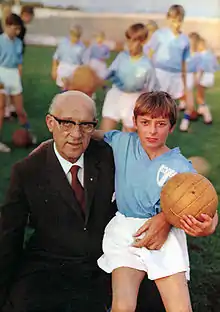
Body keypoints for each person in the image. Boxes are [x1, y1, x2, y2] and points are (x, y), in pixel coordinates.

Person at [0, 90, 168, 312]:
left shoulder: (109, 155)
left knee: (156, 300)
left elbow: (162, 180)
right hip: (51, 264)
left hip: (108, 259)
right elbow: (9, 235)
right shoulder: (27, 171)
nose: (76, 134)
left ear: (94, 127)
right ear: (50, 123)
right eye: (67, 123)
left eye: (85, 125)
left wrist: (166, 217)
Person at [93, 91, 218, 312]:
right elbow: (89, 135)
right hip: (126, 231)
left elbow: (203, 201)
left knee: (179, 308)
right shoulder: (122, 142)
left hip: (165, 235)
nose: (152, 130)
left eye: (161, 124)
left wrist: (210, 224)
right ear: (134, 122)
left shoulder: (179, 166)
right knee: (122, 306)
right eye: (145, 122)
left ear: (171, 127)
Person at [100, 23, 159, 133]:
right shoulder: (122, 57)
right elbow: (108, 73)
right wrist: (97, 79)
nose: (129, 44)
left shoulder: (147, 65)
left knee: (128, 136)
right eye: (128, 40)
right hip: (116, 95)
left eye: (133, 41)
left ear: (143, 42)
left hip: (134, 100)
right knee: (104, 135)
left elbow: (152, 89)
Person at [147, 5, 191, 131]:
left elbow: (184, 62)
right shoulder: (159, 35)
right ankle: (150, 126)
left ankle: (168, 126)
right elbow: (150, 54)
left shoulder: (185, 40)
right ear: (168, 19)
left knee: (171, 103)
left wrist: (184, 80)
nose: (176, 24)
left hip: (175, 75)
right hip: (160, 72)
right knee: (156, 101)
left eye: (179, 20)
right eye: (173, 20)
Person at [0, 13, 36, 153]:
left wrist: (18, 79)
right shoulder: (0, 40)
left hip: (13, 74)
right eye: (15, 28)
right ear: (7, 26)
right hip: (1, 73)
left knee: (20, 110)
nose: (17, 32)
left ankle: (28, 133)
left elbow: (19, 63)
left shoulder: (19, 42)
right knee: (1, 108)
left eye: (19, 29)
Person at [51, 25, 86, 90]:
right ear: (71, 34)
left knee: (72, 90)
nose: (76, 38)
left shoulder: (82, 47)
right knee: (63, 89)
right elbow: (56, 57)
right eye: (74, 36)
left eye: (78, 36)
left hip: (75, 69)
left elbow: (83, 62)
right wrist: (54, 70)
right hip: (63, 68)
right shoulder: (63, 43)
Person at [195, 37, 218, 124]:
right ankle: (200, 110)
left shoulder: (201, 55)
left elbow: (201, 69)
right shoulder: (210, 54)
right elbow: (216, 67)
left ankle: (207, 116)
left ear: (201, 45)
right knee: (201, 95)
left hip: (203, 77)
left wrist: (198, 78)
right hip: (210, 76)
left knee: (199, 97)